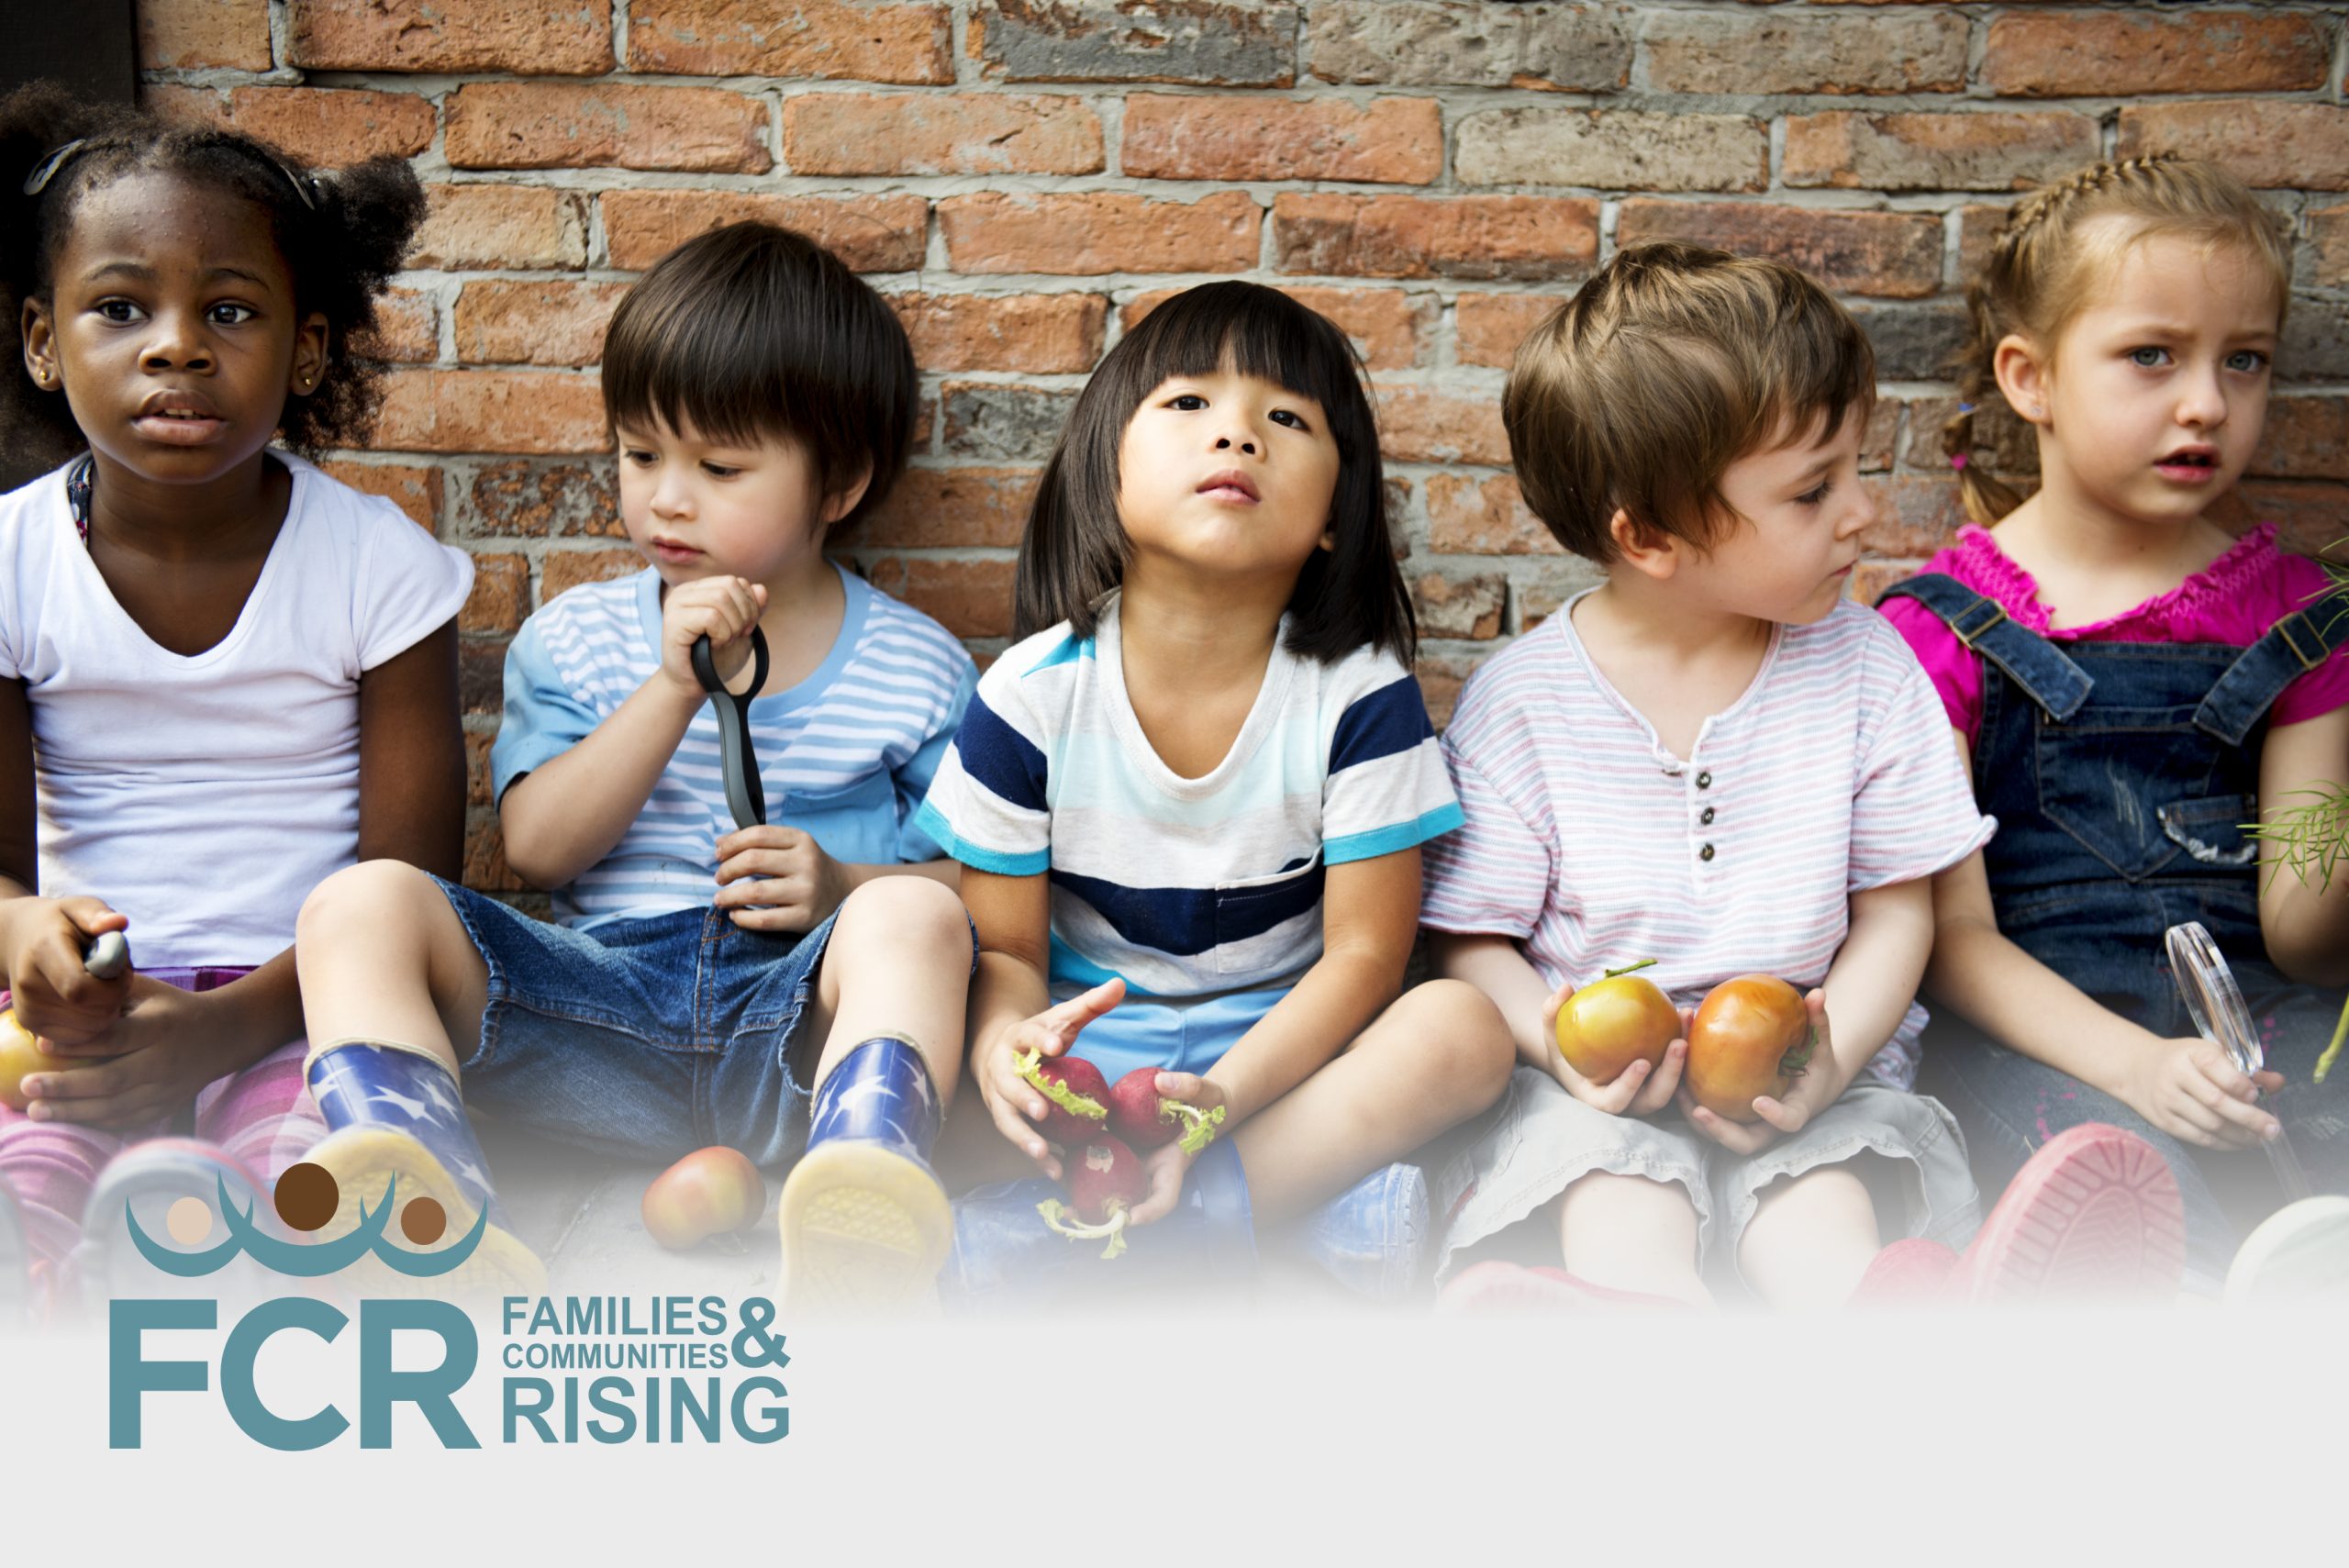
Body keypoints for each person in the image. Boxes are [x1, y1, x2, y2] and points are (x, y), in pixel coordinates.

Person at [1426, 244, 2183, 1315]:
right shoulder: (1523, 702)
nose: (1859, 513)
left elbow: (1896, 914)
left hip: (1808, 1073)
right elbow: (1471, 939)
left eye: (1853, 471)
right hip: (1602, 1101)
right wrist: (1555, 1047)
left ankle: (1904, 1327)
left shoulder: (1867, 666)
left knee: (1821, 1214)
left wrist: (1830, 1059)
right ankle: (1634, 1332)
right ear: (1650, 538)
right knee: (1618, 1207)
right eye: (1811, 490)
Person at [293, 223, 980, 1312]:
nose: (666, 496)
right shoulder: (576, 641)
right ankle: (424, 1200)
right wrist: (672, 687)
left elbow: (984, 889)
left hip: (790, 1034)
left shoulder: (916, 666)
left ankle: (867, 1190)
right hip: (590, 1012)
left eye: (718, 467)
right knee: (357, 903)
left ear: (838, 483)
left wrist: (849, 889)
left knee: (918, 922)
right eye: (641, 453)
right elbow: (536, 845)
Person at [919, 282, 1513, 1299]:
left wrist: (1214, 1108)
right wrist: (1008, 1051)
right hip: (1092, 1043)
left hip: (1278, 1052)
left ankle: (1173, 1217)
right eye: (1189, 405)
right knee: (925, 1050)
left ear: (1335, 515)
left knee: (1462, 1030)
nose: (1237, 435)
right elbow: (1009, 951)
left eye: (1286, 419)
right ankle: (1301, 1216)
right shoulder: (1027, 694)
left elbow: (1366, 958)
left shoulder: (1360, 695)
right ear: (1106, 468)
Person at [0, 83, 464, 1307]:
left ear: (306, 348)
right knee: (28, 1154)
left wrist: (223, 1030)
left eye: (228, 310)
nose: (176, 345)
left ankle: (249, 1278)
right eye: (118, 307)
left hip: (303, 1001)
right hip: (81, 1010)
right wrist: (25, 937)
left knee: (312, 1155)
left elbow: (410, 888)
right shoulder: (9, 564)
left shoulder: (380, 568)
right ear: (43, 344)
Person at [1877, 155, 2349, 1289]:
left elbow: (2303, 925)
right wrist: (2138, 1066)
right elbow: (1954, 942)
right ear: (2028, 376)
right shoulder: (1933, 629)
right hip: (2047, 1042)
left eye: (2244, 361)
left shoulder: (2302, 621)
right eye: (2152, 355)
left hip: (2265, 1022)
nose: (2205, 403)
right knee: (2115, 1186)